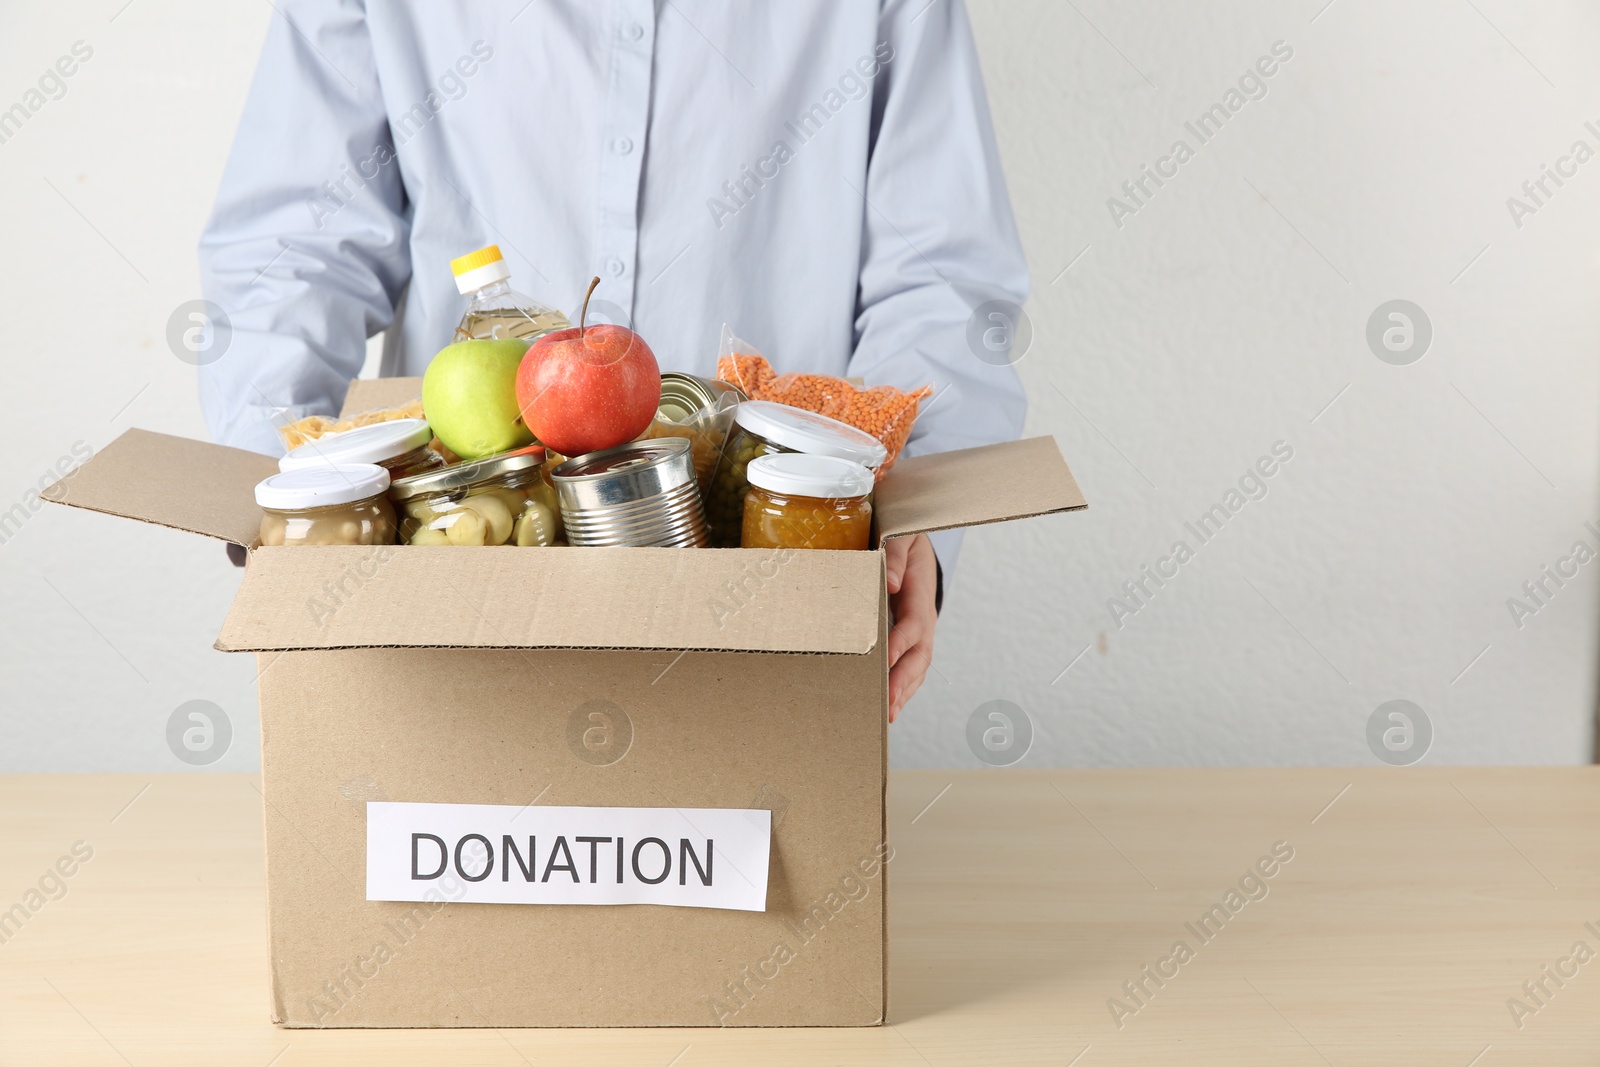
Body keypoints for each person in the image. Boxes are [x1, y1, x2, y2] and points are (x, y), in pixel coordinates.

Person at [199, 0, 1028, 722]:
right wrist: (291, 504)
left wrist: (914, 516)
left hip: (780, 597)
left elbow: (944, 277)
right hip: (454, 603)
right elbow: (294, 250)